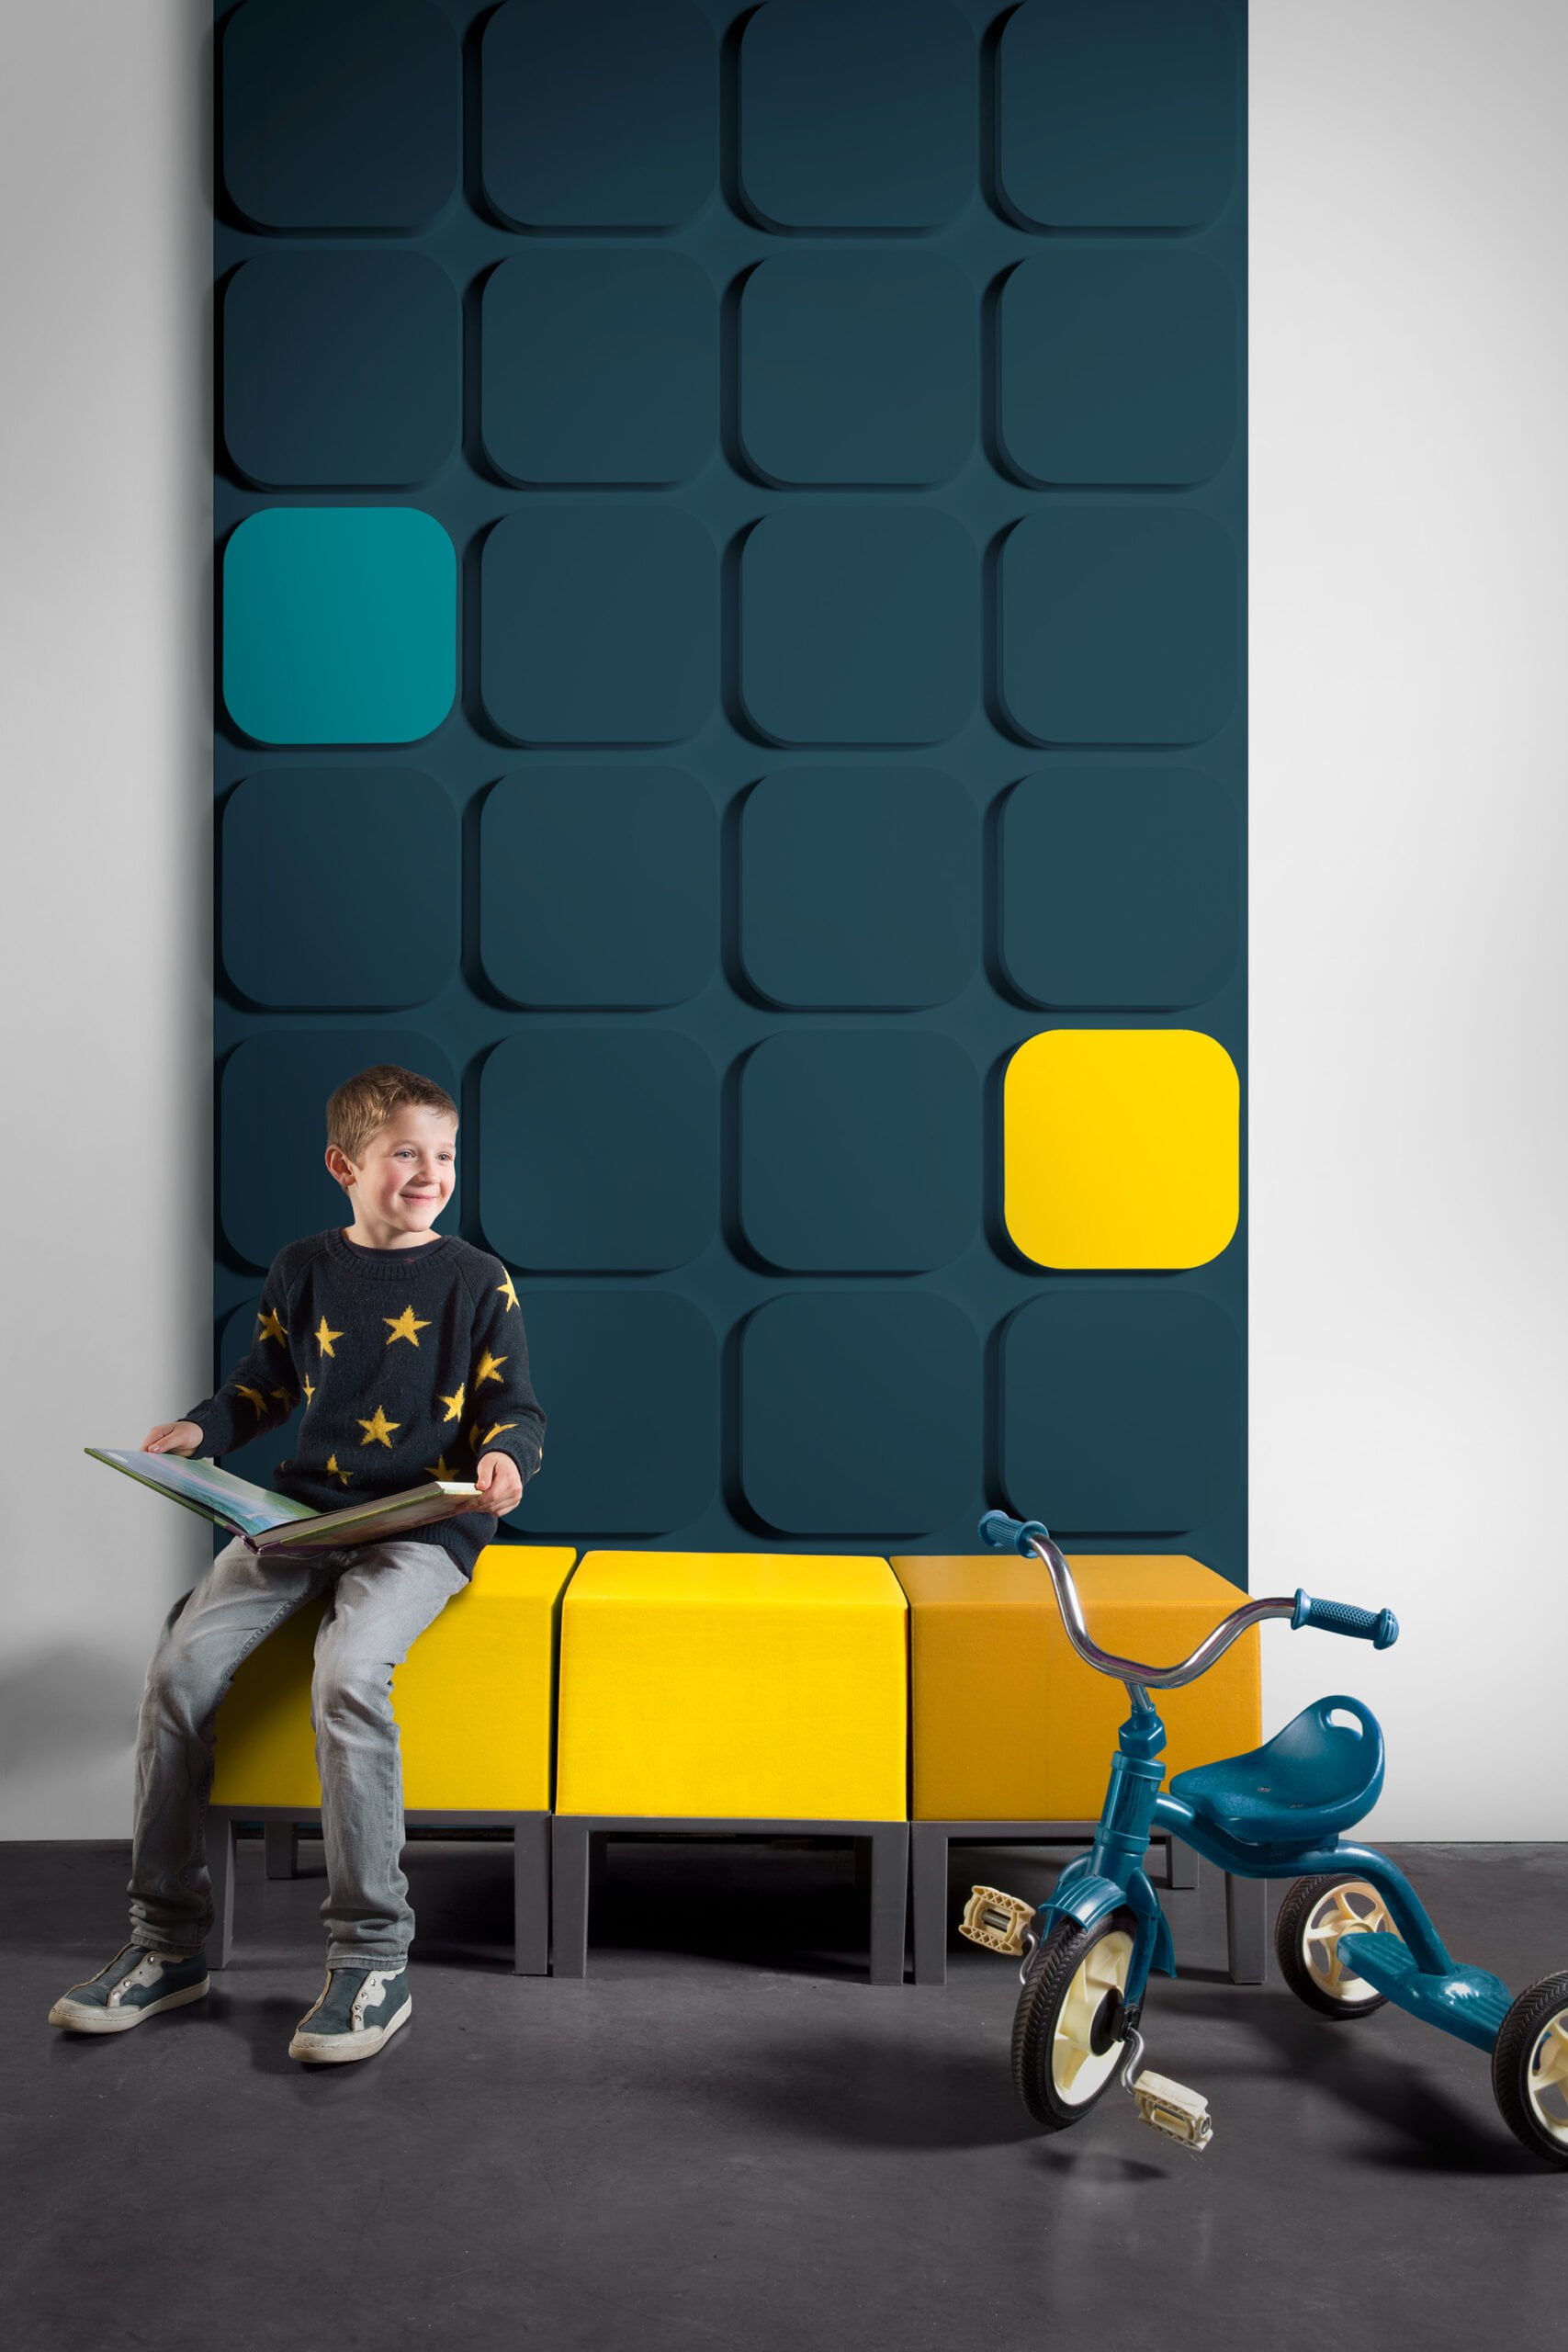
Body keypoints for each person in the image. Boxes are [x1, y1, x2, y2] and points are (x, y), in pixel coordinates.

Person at [47, 1063, 546, 2064]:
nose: (431, 1172)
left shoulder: (476, 1278)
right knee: (177, 1673)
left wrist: (505, 1459)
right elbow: (262, 1386)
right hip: (299, 1519)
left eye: (445, 1154)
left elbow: (515, 1408)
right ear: (343, 1165)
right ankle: (165, 1944)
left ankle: (372, 1959)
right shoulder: (301, 1267)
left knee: (349, 1676)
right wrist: (199, 1428)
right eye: (405, 1152)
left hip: (420, 1530)